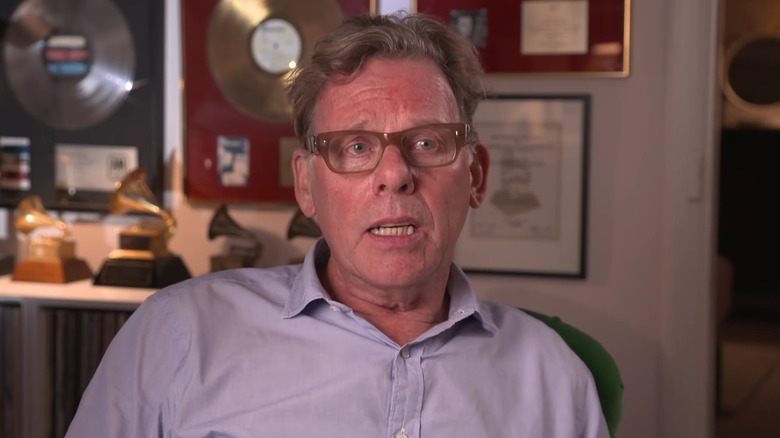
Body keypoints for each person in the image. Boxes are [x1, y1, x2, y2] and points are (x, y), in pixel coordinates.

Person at [65, 13, 609, 437]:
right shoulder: (177, 336)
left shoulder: (556, 382)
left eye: (427, 143)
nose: (395, 175)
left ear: (476, 177)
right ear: (306, 186)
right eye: (355, 147)